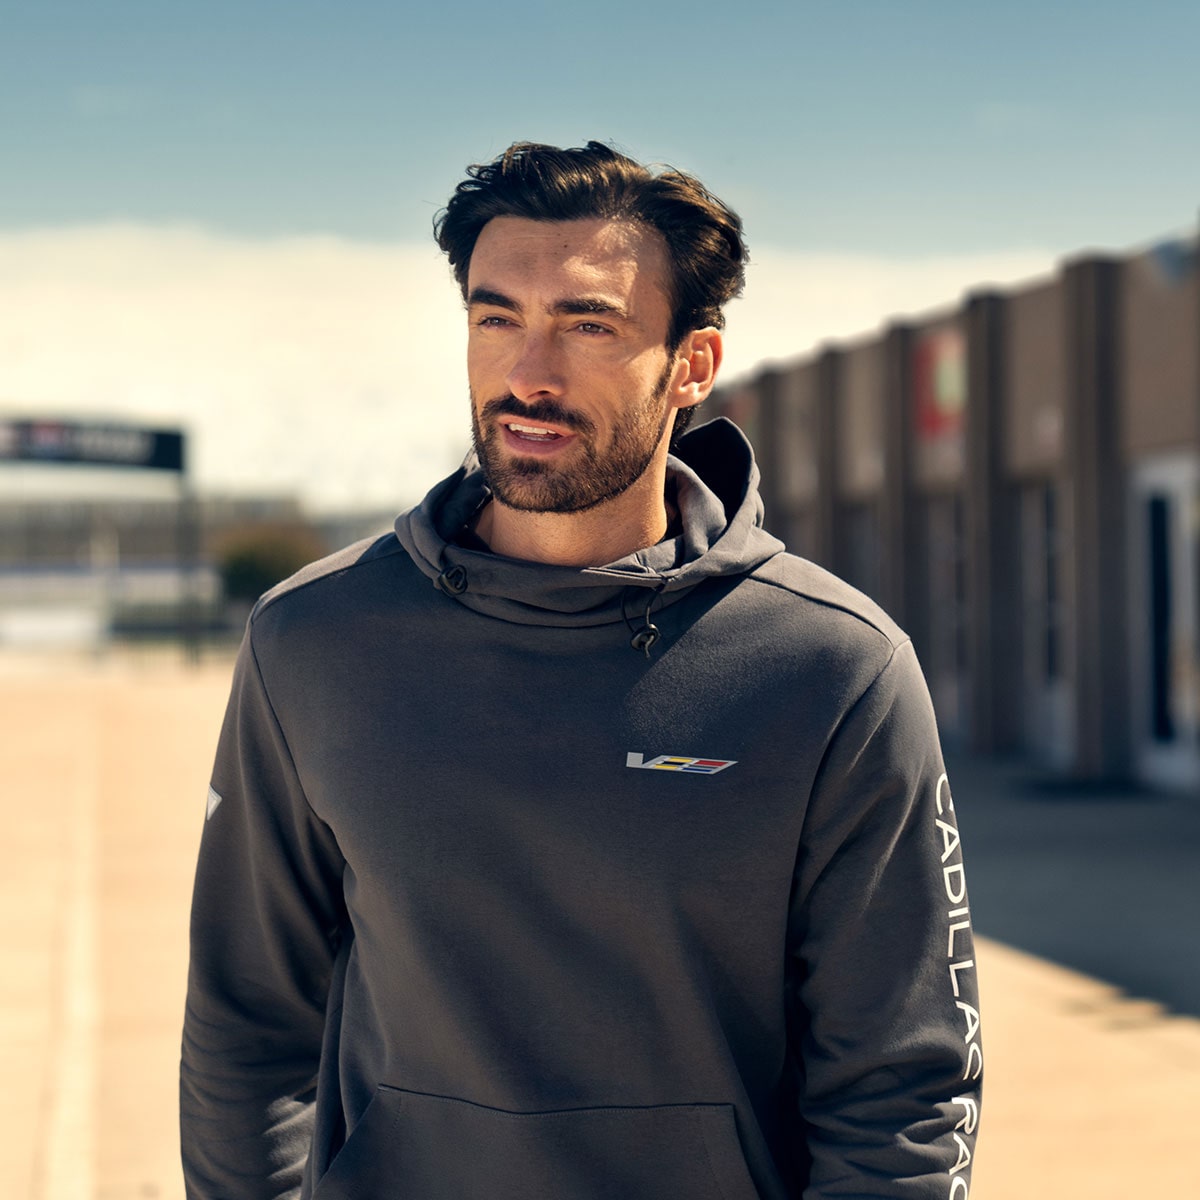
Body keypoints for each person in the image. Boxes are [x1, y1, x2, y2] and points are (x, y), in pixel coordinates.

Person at [180, 140, 983, 1200]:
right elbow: (248, 1022)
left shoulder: (832, 668)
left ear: (692, 363)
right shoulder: (316, 642)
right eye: (495, 315)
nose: (528, 375)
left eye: (588, 324)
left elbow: (902, 1084)